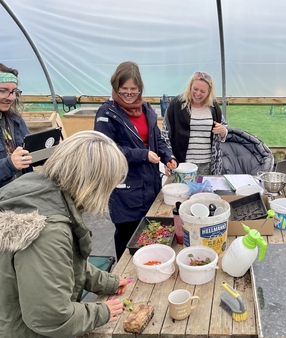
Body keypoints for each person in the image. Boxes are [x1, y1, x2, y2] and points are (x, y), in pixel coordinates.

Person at [0, 130, 131, 337]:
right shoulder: (49, 232)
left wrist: (108, 282)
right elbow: (50, 317)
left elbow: (64, 263)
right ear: (94, 185)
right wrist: (102, 311)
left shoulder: (38, 186)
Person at [94, 61, 177, 260]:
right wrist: (142, 154)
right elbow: (104, 150)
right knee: (128, 241)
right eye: (124, 90)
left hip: (150, 185)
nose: (129, 94)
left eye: (133, 89)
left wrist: (168, 157)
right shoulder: (107, 114)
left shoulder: (147, 110)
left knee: (150, 235)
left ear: (140, 88)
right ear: (115, 87)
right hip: (125, 190)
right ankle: (123, 279)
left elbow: (156, 139)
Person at [161, 71, 228, 175]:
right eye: (195, 89)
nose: (197, 93)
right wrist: (169, 158)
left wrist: (223, 131)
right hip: (183, 165)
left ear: (209, 92)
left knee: (205, 190)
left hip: (209, 165)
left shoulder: (213, 106)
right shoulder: (176, 104)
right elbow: (165, 134)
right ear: (190, 87)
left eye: (202, 91)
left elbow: (224, 127)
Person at [0, 63, 33, 188]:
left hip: (21, 193)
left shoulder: (15, 120)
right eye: (3, 91)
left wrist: (50, 150)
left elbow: (30, 153)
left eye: (14, 91)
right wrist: (9, 164)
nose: (11, 97)